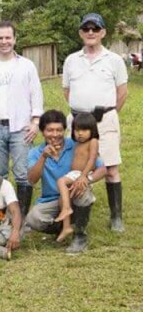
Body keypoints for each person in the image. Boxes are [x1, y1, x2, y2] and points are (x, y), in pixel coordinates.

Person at [62, 13, 128, 232]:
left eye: (95, 29)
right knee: (75, 166)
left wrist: (106, 115)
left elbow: (122, 92)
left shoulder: (114, 60)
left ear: (103, 33)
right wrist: (83, 115)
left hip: (104, 120)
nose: (91, 33)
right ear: (81, 32)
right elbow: (66, 91)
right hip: (78, 120)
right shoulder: (71, 60)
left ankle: (116, 216)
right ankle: (73, 211)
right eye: (86, 29)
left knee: (110, 168)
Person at [0, 21, 43, 218]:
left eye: (8, 38)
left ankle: (21, 218)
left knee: (23, 174)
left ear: (14, 39)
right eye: (0, 38)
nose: (4, 42)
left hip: (21, 128)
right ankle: (0, 215)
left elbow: (36, 94)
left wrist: (35, 121)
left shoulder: (26, 66)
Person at [25, 110, 106, 254]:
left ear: (65, 130)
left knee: (82, 193)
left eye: (59, 130)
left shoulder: (76, 145)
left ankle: (80, 235)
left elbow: (102, 169)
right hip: (51, 200)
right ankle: (64, 227)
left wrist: (87, 179)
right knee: (33, 219)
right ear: (42, 132)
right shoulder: (35, 153)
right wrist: (43, 157)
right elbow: (32, 180)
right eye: (50, 130)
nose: (55, 135)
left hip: (74, 194)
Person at [54, 113, 99, 242]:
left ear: (92, 130)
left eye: (84, 130)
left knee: (61, 181)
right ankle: (66, 226)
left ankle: (68, 209)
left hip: (82, 174)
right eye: (77, 130)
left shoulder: (93, 141)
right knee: (63, 199)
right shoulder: (76, 143)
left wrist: (84, 176)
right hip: (74, 174)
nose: (80, 133)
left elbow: (92, 159)